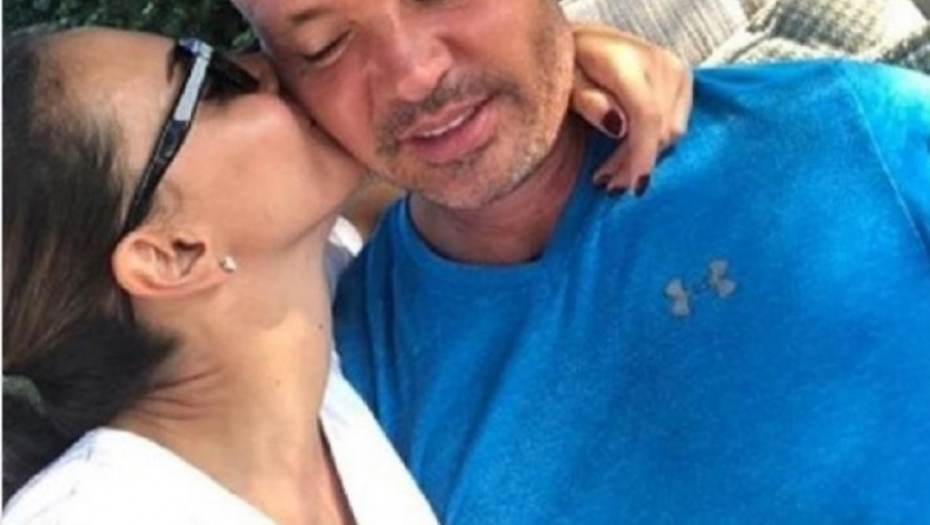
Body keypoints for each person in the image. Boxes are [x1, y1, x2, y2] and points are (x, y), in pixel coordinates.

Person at [235, 0, 930, 523]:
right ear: (284, 82)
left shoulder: (851, 132)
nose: (413, 76)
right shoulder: (342, 406)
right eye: (325, 47)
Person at [1, 23, 690, 524]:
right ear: (173, 255)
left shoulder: (296, 349)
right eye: (212, 84)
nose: (267, 68)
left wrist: (536, 70)